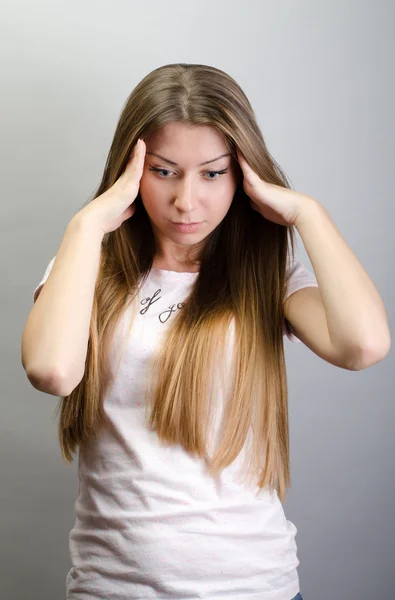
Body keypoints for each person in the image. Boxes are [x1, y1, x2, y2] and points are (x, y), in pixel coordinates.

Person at [21, 63, 390, 600]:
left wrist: (308, 214)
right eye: (164, 171)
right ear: (131, 168)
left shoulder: (268, 275)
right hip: (112, 589)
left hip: (253, 587)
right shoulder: (85, 264)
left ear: (243, 174)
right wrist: (85, 225)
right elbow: (53, 371)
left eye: (213, 173)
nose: (186, 201)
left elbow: (364, 345)